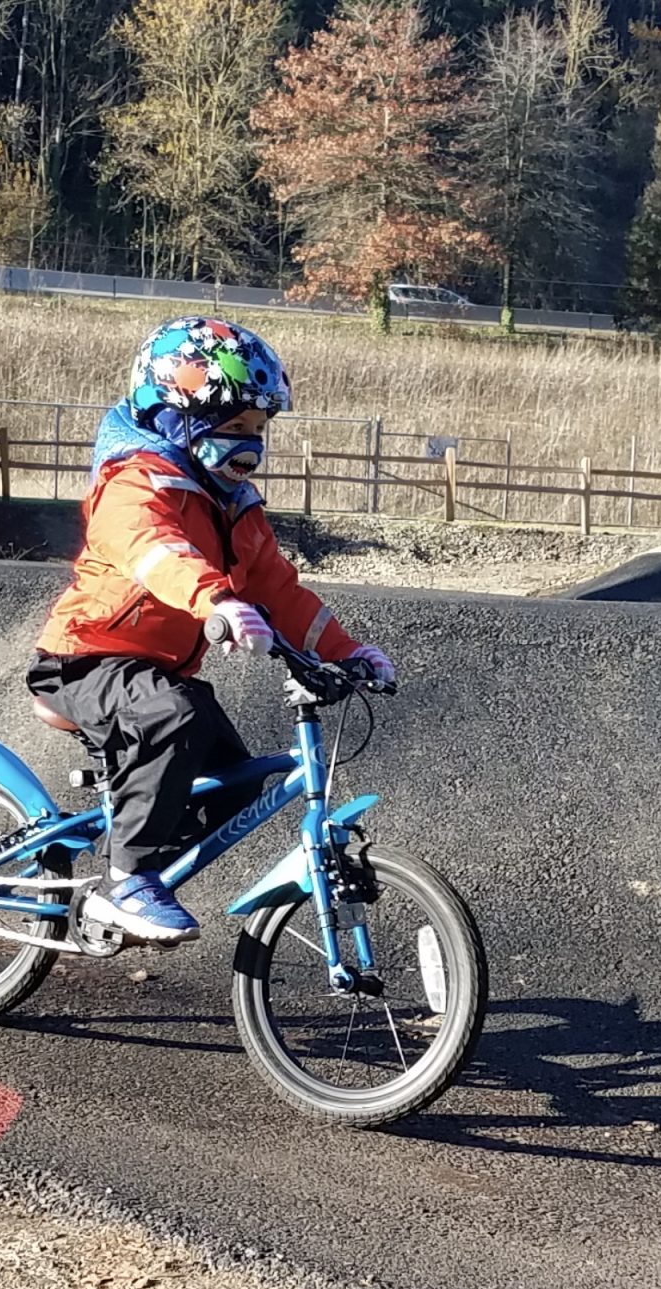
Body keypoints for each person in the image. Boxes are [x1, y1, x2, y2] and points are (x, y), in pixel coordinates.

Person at [27, 316, 393, 945]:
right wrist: (216, 601)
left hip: (159, 673)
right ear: (174, 418)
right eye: (232, 428)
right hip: (86, 659)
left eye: (258, 429)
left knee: (236, 786)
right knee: (175, 714)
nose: (249, 445)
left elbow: (280, 591)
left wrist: (347, 651)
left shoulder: (236, 508)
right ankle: (129, 877)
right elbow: (154, 550)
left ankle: (130, 847)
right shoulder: (135, 484)